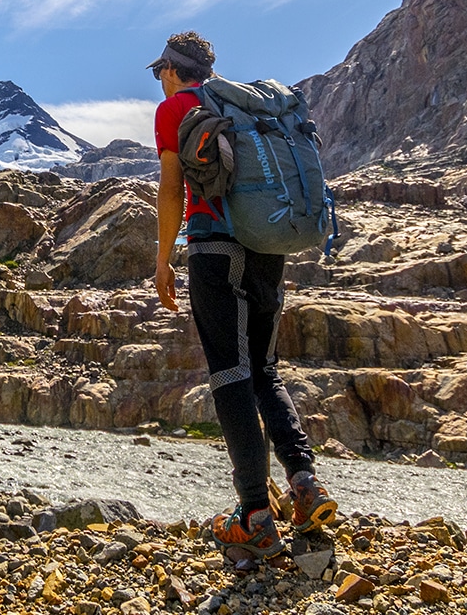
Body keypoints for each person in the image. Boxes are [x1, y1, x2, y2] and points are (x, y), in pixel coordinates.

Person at [149, 32, 337, 559]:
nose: (158, 81)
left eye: (158, 72)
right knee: (264, 370)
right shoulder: (241, 106)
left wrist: (164, 259)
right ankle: (304, 484)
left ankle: (254, 513)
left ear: (170, 69)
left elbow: (171, 190)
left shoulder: (177, 109)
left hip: (215, 250)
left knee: (230, 374)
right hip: (266, 246)